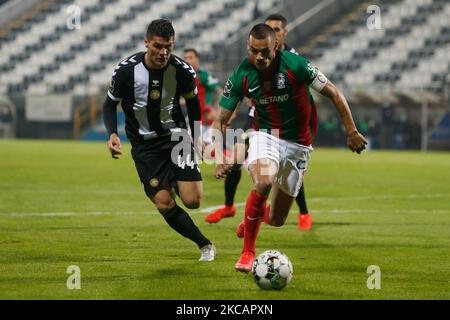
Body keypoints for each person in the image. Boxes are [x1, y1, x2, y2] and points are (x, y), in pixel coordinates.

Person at [213, 24, 367, 272]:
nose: (259, 57)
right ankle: (247, 253)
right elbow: (220, 119)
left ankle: (251, 218)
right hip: (266, 135)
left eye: (264, 51)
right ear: (248, 47)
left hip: (299, 145)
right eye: (254, 51)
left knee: (276, 219)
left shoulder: (296, 65)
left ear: (276, 46)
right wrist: (222, 155)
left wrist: (351, 131)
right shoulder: (241, 73)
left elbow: (334, 93)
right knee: (263, 181)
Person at [102, 19, 216, 262]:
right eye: (158, 46)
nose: (163, 52)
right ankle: (204, 244)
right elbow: (110, 104)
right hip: (144, 145)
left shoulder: (183, 71)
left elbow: (194, 105)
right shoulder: (125, 71)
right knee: (164, 203)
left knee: (193, 201)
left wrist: (196, 135)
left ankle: (174, 178)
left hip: (177, 137)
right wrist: (112, 133)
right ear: (146, 43)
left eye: (169, 47)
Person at [205, 14, 313, 231]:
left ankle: (302, 212)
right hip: (259, 120)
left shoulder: (292, 58)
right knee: (236, 160)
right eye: (270, 27)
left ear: (282, 34)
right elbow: (246, 86)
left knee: (287, 170)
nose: (274, 32)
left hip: (286, 126)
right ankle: (230, 206)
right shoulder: (255, 59)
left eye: (277, 29)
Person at [182, 48, 221, 145]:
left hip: (205, 116)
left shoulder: (203, 75)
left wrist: (216, 110)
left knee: (205, 145)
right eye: (185, 58)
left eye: (190, 57)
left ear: (197, 59)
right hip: (191, 115)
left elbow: (220, 91)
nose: (187, 60)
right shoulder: (183, 76)